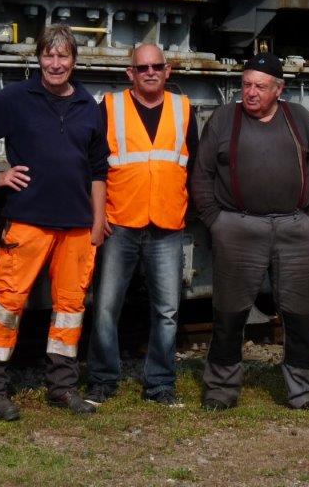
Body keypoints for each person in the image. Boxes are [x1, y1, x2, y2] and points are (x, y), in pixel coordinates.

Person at [0, 25, 110, 419]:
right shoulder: (16, 99)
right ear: (38, 59)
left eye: (63, 56)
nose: (55, 64)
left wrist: (98, 221)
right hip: (28, 221)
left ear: (74, 60)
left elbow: (99, 170)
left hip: (77, 227)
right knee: (8, 304)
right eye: (48, 56)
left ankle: (63, 387)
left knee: (70, 308)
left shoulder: (88, 105)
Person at [191, 52, 309, 413]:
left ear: (279, 89)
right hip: (238, 227)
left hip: (295, 228)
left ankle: (304, 392)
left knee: (300, 315)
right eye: (246, 85)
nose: (250, 93)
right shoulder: (224, 119)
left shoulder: (298, 118)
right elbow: (201, 173)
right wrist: (215, 221)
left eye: (260, 86)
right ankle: (221, 389)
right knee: (229, 314)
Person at [86, 44, 198, 407]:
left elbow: (191, 164)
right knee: (106, 307)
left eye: (157, 66)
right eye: (142, 67)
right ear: (130, 74)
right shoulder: (110, 106)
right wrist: (98, 215)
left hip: (166, 223)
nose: (150, 72)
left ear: (168, 72)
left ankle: (160, 384)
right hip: (120, 222)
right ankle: (103, 380)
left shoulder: (184, 109)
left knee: (167, 310)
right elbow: (95, 165)